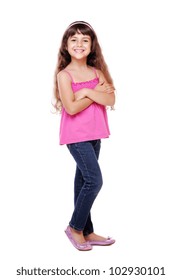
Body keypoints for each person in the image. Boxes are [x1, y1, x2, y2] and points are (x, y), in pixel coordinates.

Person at [53, 21, 116, 251]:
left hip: (95, 133)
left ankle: (88, 231)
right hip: (76, 136)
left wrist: (88, 91)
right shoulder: (64, 75)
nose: (79, 44)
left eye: (85, 40)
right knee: (94, 180)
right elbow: (70, 107)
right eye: (74, 39)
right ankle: (75, 227)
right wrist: (97, 92)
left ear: (92, 46)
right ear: (66, 45)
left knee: (83, 181)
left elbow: (111, 100)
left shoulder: (97, 72)